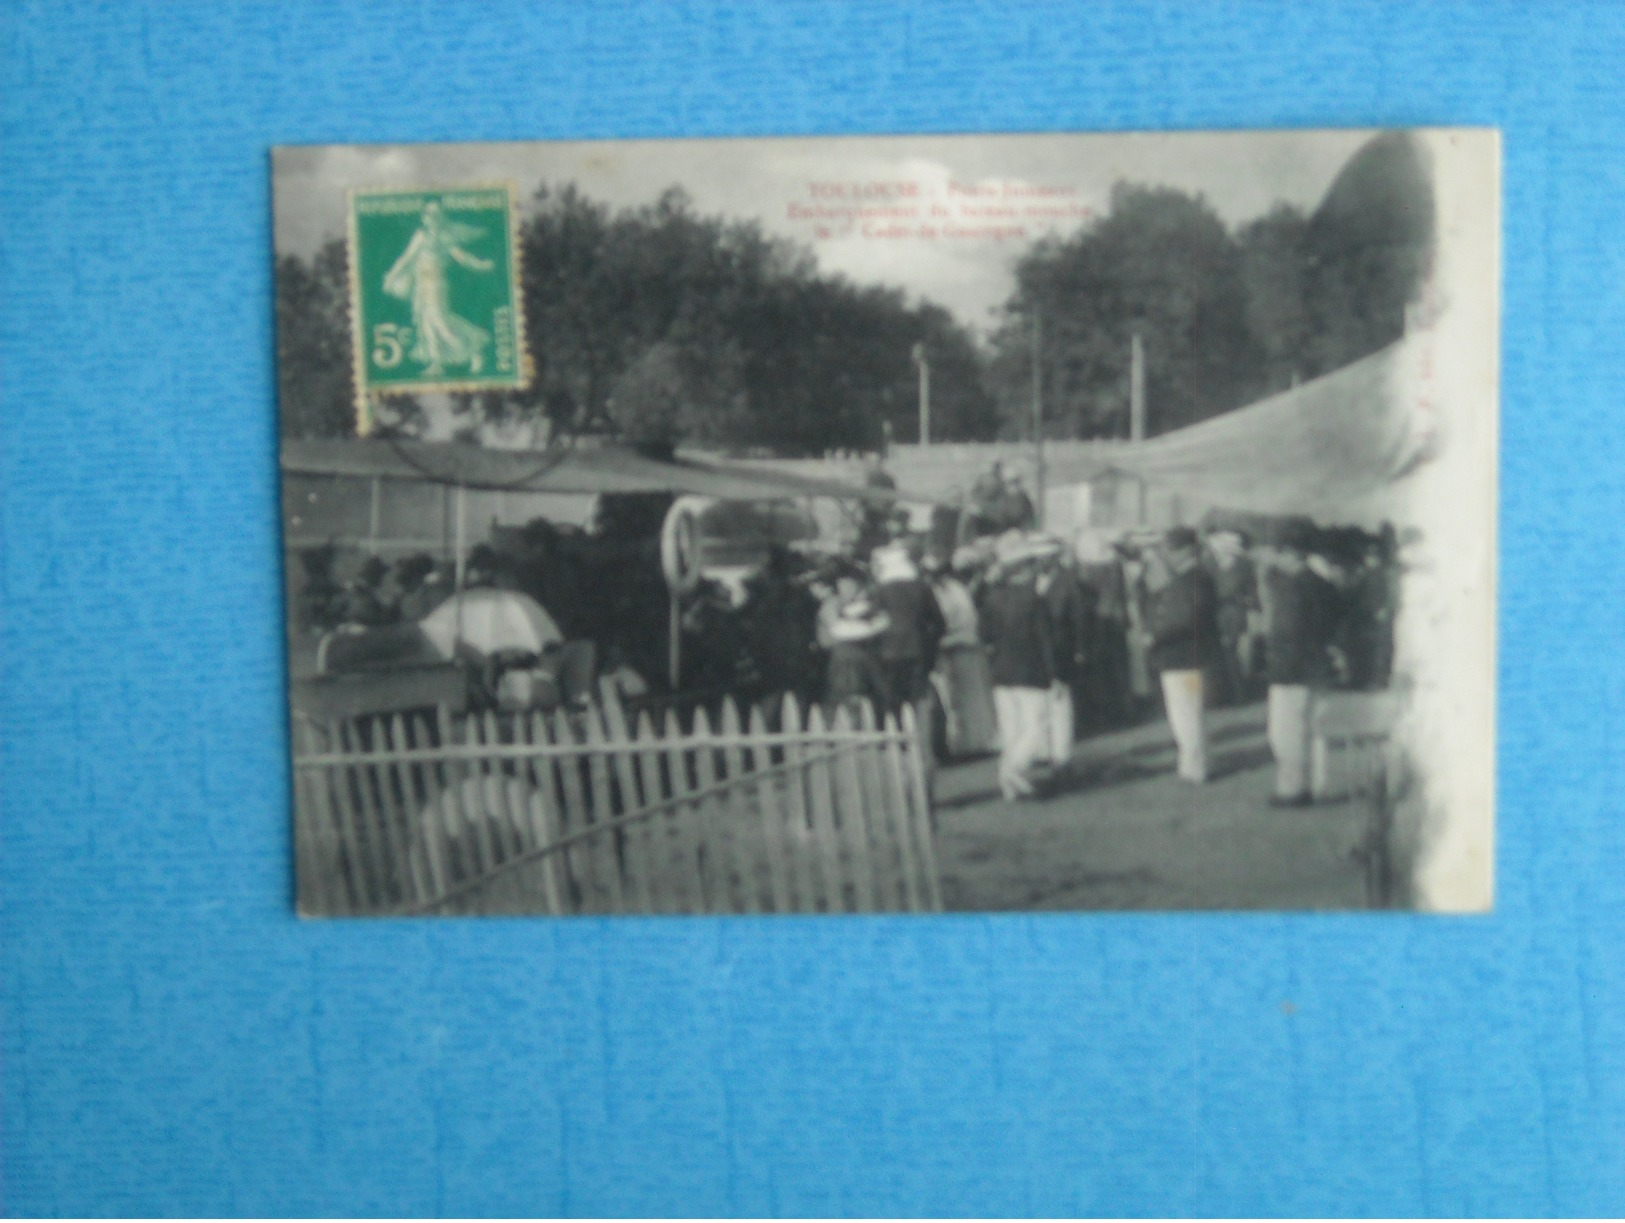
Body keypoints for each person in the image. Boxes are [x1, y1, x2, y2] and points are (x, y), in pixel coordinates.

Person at [1259, 525, 1338, 805]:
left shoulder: (1290, 588)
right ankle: (1320, 786)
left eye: (1277, 554)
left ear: (1290, 555)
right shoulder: (1322, 583)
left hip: (1291, 668)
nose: (1273, 559)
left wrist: (1272, 660)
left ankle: (1292, 790)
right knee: (1317, 730)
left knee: (1286, 732)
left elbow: (1286, 630)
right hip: (1318, 666)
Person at [977, 534, 1056, 800]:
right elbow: (1045, 639)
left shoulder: (993, 598)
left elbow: (984, 634)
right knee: (1036, 727)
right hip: (1031, 670)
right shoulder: (1034, 599)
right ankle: (1013, 769)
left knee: (1011, 728)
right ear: (1025, 566)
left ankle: (1009, 785)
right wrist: (1053, 672)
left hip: (1001, 670)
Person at [1142, 526, 1221, 784]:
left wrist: (1156, 635)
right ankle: (1196, 762)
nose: (1167, 554)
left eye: (1172, 549)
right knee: (1187, 713)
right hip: (1183, 657)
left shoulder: (1195, 579)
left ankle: (1195, 767)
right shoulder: (1188, 578)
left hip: (1185, 658)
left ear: (1188, 550)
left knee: (1187, 713)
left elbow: (1187, 620)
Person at [928, 552, 999, 756]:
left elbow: (967, 618)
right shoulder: (935, 591)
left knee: (972, 694)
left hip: (963, 645)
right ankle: (958, 742)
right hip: (946, 649)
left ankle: (978, 740)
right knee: (952, 697)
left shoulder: (955, 590)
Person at [1036, 539, 1089, 767]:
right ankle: (1045, 750)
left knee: (1061, 702)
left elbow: (1079, 618)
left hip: (1063, 647)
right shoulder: (1037, 580)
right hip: (1041, 648)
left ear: (1053, 557)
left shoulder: (1068, 580)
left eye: (1043, 557)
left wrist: (1079, 648)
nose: (1039, 561)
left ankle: (1062, 754)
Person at [1208, 529, 1260, 705]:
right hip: (1215, 611)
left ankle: (1237, 694)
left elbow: (1253, 592)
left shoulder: (1243, 566)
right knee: (1220, 653)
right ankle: (1222, 694)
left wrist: (1250, 604)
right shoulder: (1210, 565)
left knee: (1230, 651)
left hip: (1234, 612)